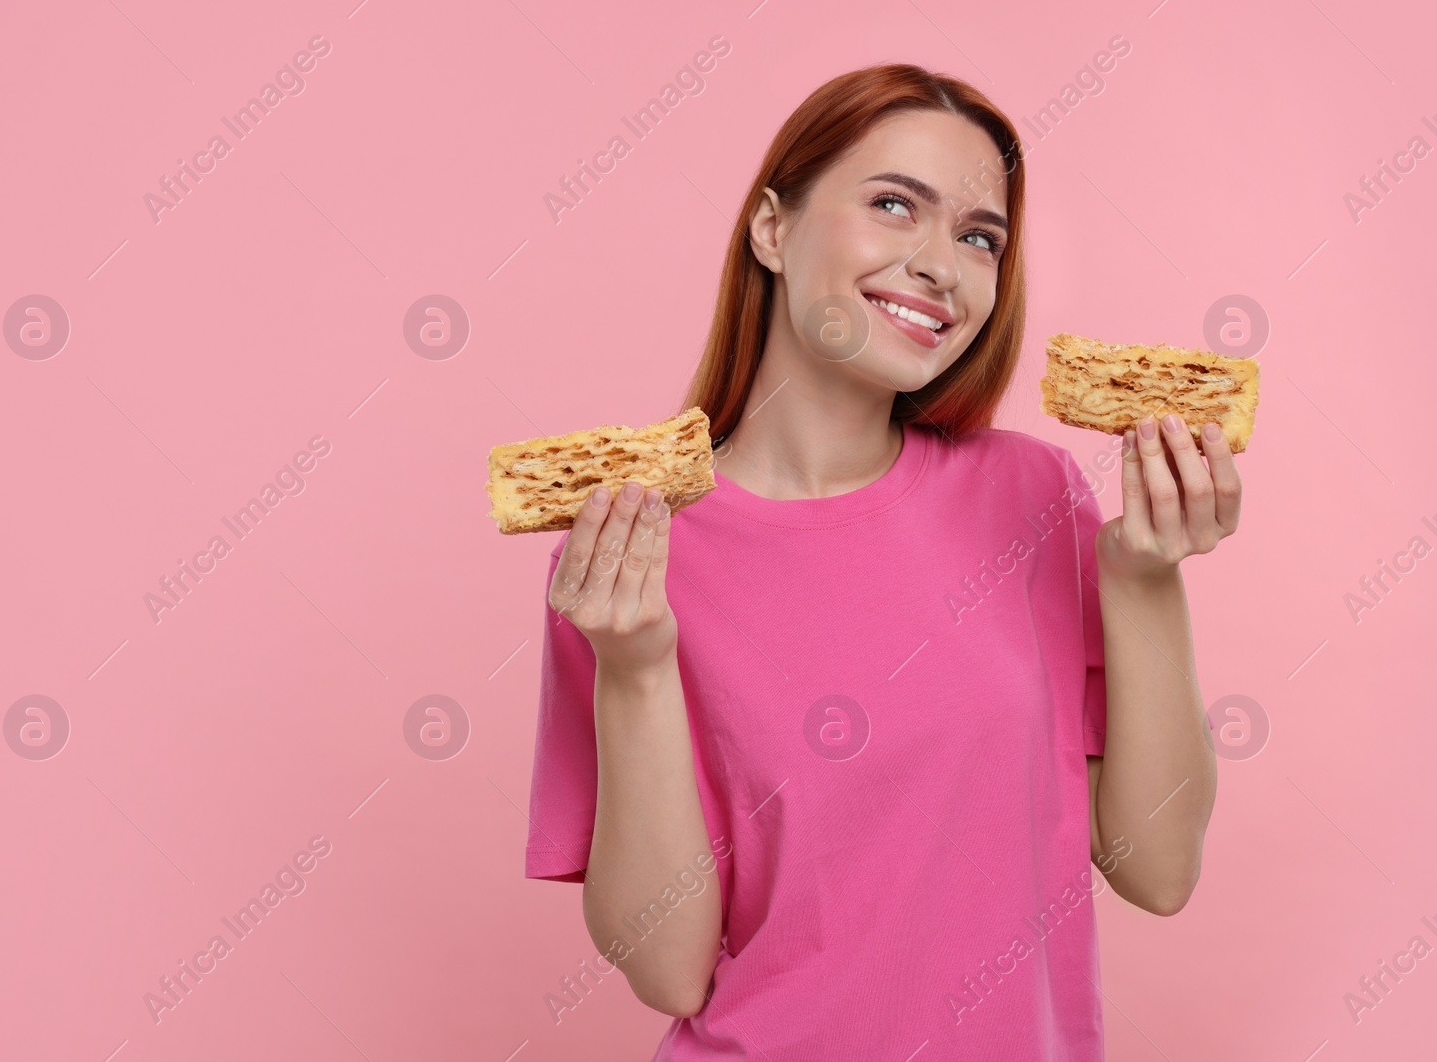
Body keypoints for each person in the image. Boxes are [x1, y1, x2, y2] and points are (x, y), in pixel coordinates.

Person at [524, 63, 1237, 1060]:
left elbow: (1157, 868)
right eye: (895, 203)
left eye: (978, 236)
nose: (941, 264)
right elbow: (670, 967)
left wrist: (1144, 578)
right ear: (772, 227)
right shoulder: (625, 553)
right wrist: (635, 669)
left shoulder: (1031, 499)